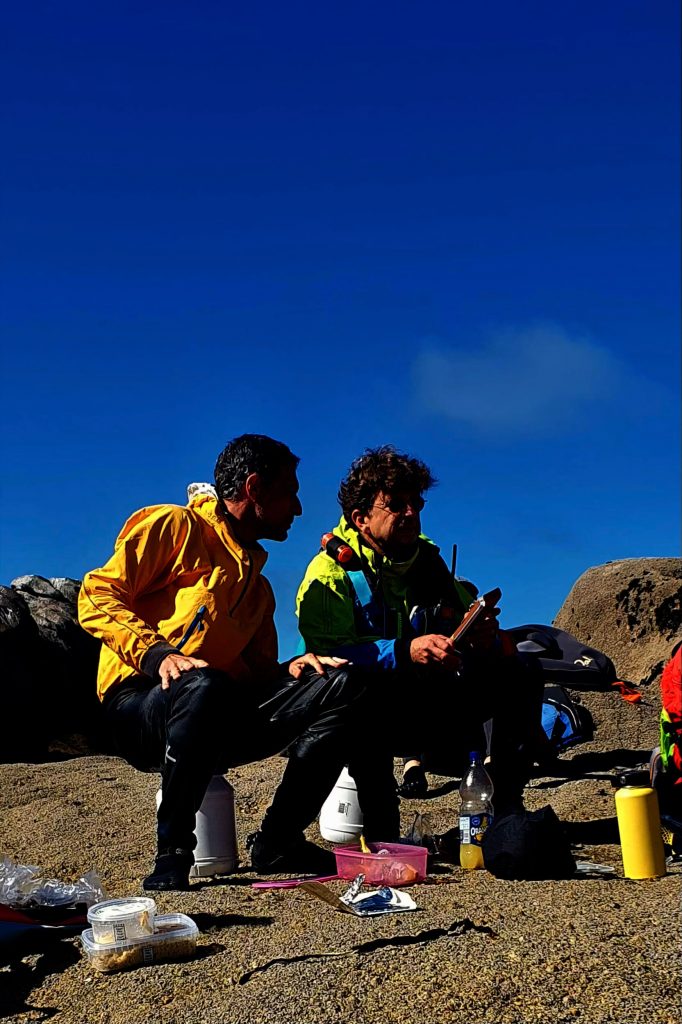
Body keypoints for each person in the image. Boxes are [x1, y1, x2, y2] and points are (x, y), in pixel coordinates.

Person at [78, 434, 396, 892]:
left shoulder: (258, 588)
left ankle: (279, 840)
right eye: (290, 491)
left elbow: (254, 673)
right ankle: (172, 855)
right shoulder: (176, 527)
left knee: (344, 681)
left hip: (216, 710)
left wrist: (291, 670)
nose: (299, 508)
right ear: (254, 488)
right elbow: (96, 595)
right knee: (201, 684)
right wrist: (157, 654)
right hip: (139, 707)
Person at [295, 445, 547, 808]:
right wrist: (404, 651)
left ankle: (505, 806)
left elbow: (468, 621)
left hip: (433, 697)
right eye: (396, 504)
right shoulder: (328, 575)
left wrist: (481, 637)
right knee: (348, 690)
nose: (411, 513)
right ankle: (374, 821)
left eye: (416, 503)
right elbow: (326, 659)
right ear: (360, 517)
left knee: (522, 669)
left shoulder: (429, 561)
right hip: (371, 712)